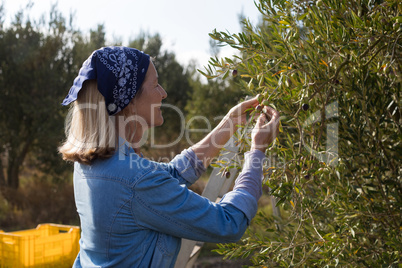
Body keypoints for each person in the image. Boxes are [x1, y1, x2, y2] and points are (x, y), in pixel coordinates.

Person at [59, 46, 280, 268]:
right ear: (130, 101)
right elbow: (229, 222)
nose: (163, 93)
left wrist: (230, 123)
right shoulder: (134, 179)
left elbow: (171, 175)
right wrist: (258, 150)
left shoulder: (93, 164)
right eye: (155, 85)